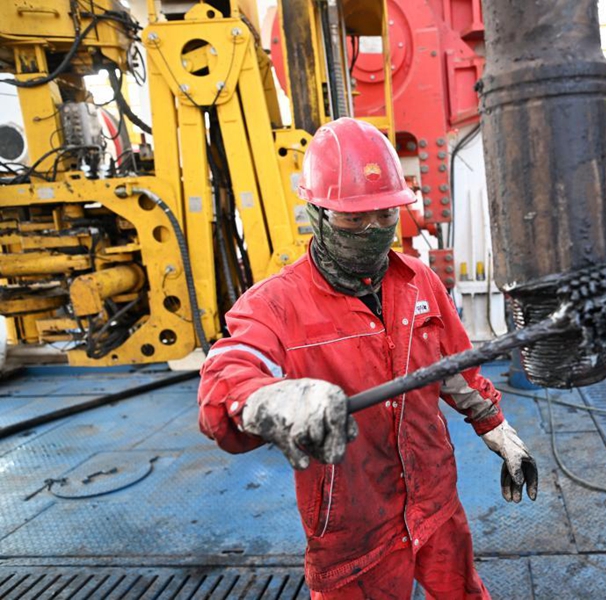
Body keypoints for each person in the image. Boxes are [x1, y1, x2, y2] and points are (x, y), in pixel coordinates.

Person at [197, 118, 538, 599]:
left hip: (434, 499)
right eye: (353, 219)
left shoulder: (419, 280)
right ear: (315, 212)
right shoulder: (274, 305)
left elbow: (453, 366)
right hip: (353, 522)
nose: (372, 230)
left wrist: (497, 429)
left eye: (383, 215)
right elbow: (228, 376)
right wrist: (266, 401)